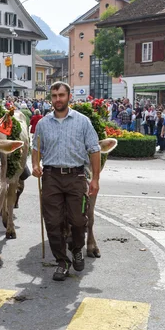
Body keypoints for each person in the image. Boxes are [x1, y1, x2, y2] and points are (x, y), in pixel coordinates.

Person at [32, 82, 101, 282]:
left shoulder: (83, 122)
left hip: (76, 177)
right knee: (53, 222)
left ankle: (77, 249)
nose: (57, 99)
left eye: (61, 95)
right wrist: (35, 164)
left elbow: (94, 150)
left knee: (79, 220)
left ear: (69, 97)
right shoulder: (43, 123)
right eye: (54, 96)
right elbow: (37, 148)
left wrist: (95, 178)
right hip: (51, 177)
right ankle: (62, 262)